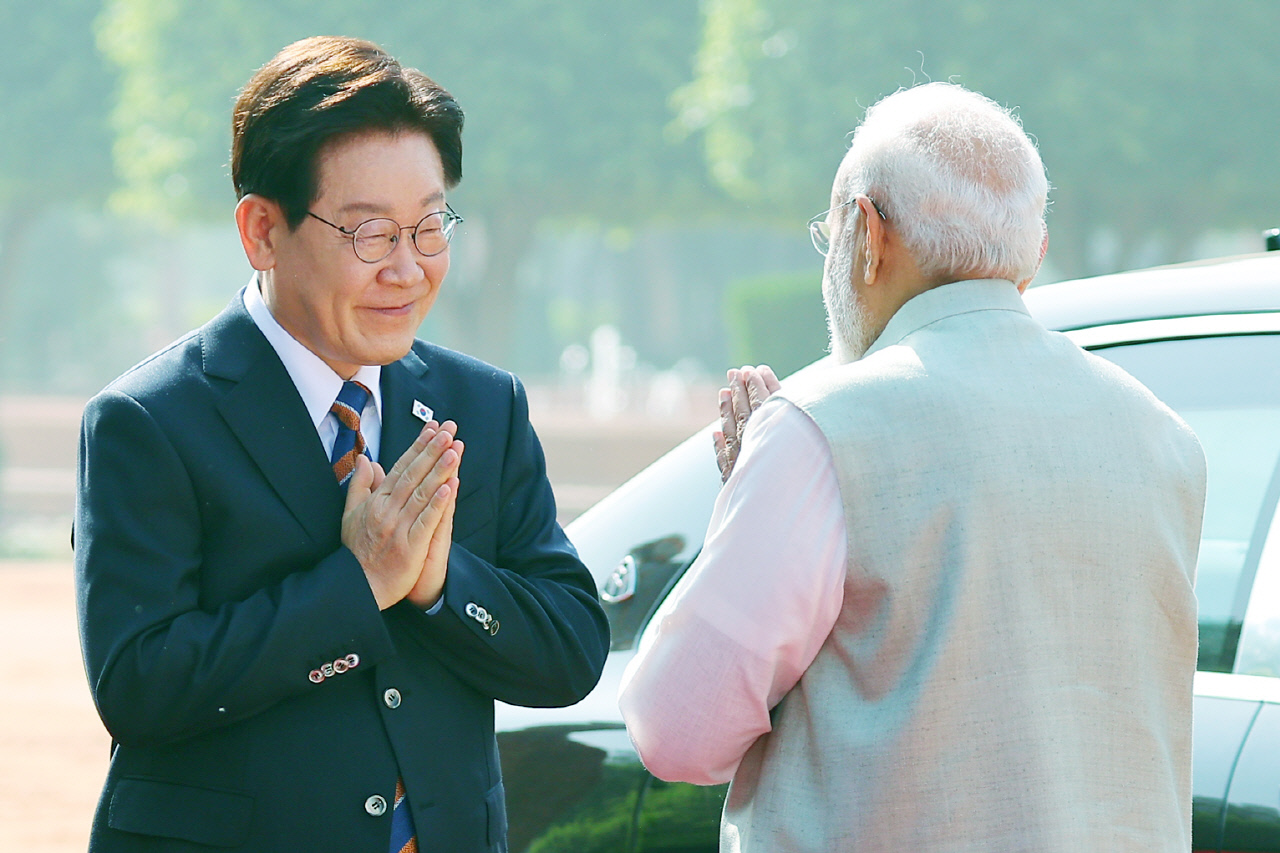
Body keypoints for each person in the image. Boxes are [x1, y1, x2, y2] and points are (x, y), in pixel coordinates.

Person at [618, 82, 1207, 852]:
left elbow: (676, 728)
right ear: (1033, 255)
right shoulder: (1161, 437)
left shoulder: (822, 427)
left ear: (866, 233)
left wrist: (750, 504)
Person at [75, 36, 608, 853]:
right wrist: (356, 587)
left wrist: (437, 581)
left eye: (430, 227)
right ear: (262, 231)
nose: (409, 268)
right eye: (369, 234)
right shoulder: (150, 420)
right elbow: (137, 687)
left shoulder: (482, 404)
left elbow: (570, 649)